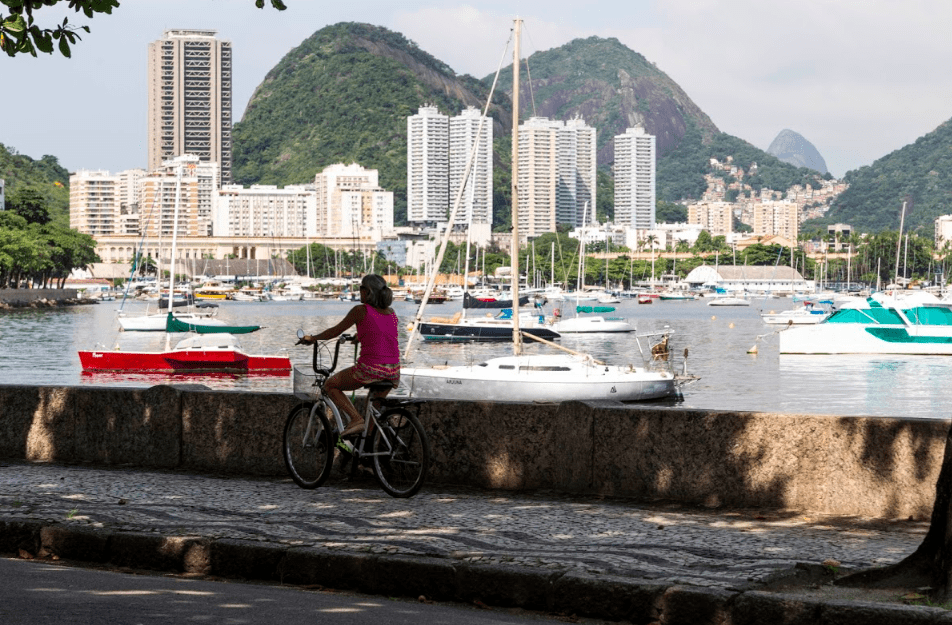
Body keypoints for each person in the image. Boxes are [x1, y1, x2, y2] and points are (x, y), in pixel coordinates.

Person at [299, 274, 399, 437]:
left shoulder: (360, 310)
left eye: (360, 289)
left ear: (367, 292)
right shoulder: (391, 313)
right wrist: (360, 336)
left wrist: (313, 338)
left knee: (330, 385)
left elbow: (334, 331)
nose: (359, 292)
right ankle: (367, 449)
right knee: (373, 407)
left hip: (371, 370)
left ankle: (355, 419)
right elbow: (382, 332)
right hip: (393, 372)